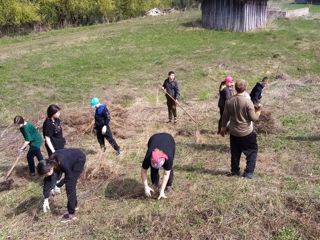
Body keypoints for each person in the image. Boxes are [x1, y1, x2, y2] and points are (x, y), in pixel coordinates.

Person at [220, 80, 261, 179]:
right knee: (252, 151)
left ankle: (234, 171)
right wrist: (258, 112)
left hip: (233, 132)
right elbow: (253, 118)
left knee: (235, 152)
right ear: (245, 88)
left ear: (236, 88)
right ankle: (248, 173)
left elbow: (225, 116)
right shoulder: (248, 102)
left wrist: (223, 127)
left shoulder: (229, 100)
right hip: (246, 132)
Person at [37, 148, 86, 223]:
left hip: (79, 159)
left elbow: (69, 176)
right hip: (70, 159)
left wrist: (58, 185)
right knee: (67, 183)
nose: (45, 176)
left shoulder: (62, 163)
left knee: (70, 186)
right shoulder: (49, 163)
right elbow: (47, 181)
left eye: (45, 174)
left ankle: (71, 215)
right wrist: (46, 198)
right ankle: (74, 205)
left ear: (50, 169)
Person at [141, 133, 175, 200]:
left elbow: (166, 174)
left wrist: (162, 191)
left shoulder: (168, 158)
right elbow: (143, 171)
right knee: (153, 169)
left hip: (169, 139)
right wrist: (146, 186)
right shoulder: (148, 156)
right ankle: (155, 186)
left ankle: (169, 185)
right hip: (154, 138)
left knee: (169, 168)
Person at [42, 104, 66, 195]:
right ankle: (51, 187)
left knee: (60, 167)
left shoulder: (57, 120)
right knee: (54, 168)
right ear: (52, 113)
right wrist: (53, 152)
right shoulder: (47, 124)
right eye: (57, 112)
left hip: (60, 147)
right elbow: (47, 139)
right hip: (54, 149)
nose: (59, 113)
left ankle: (56, 184)